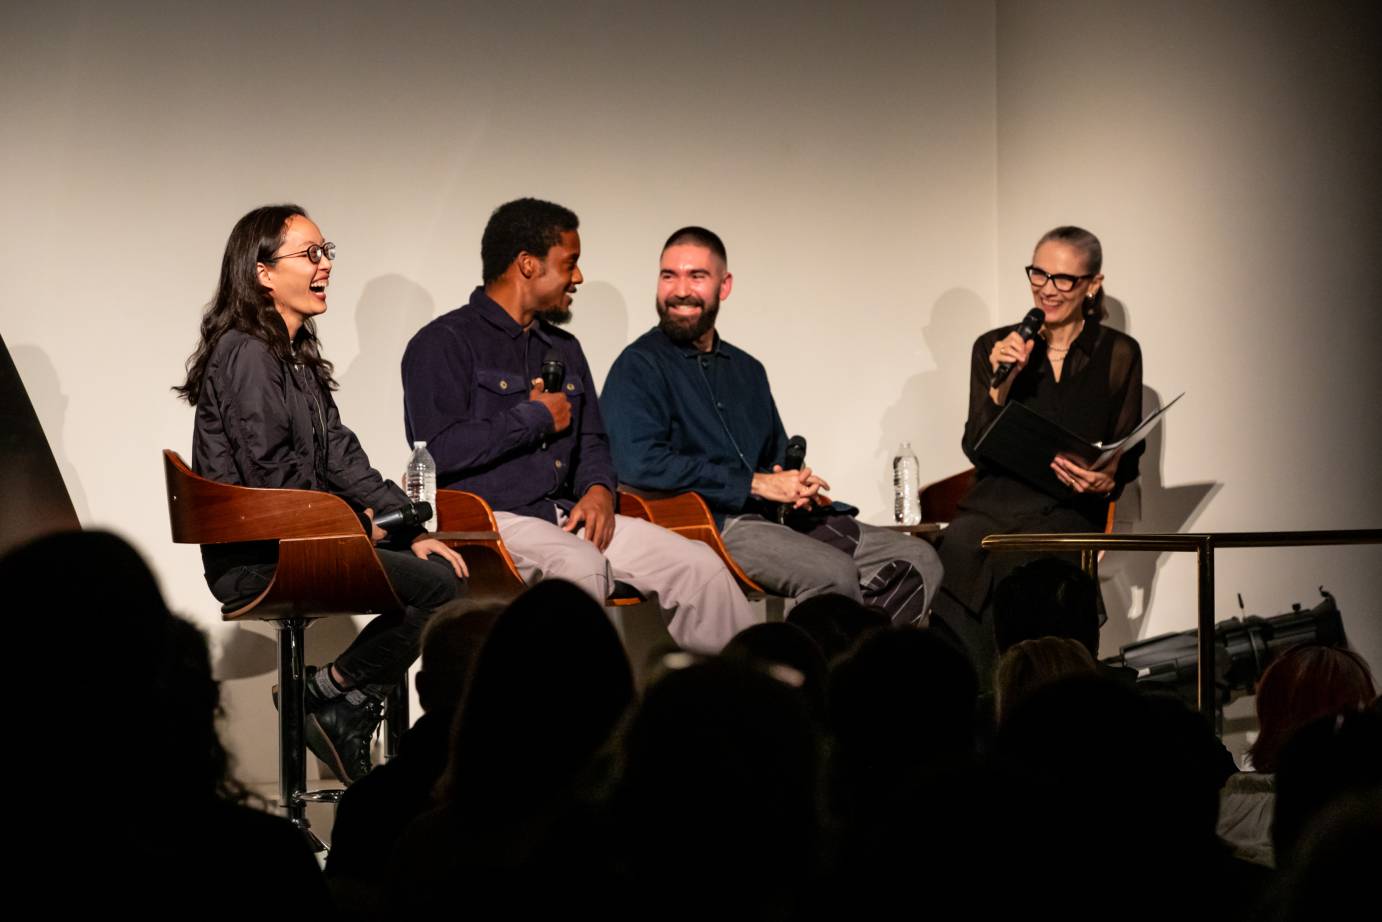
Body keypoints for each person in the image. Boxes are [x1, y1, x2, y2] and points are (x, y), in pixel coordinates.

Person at [175, 204, 467, 784]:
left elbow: (340, 456)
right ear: (263, 272)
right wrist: (360, 526)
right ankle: (335, 701)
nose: (325, 264)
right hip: (260, 557)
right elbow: (270, 478)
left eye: (326, 251)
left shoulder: (294, 356)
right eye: (310, 254)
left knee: (442, 571)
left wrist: (410, 528)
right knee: (442, 589)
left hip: (299, 539)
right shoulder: (247, 353)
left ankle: (329, 696)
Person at [401, 198, 757, 653]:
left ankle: (741, 691)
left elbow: (593, 441)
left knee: (699, 566)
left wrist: (598, 491)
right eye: (570, 263)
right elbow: (438, 451)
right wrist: (533, 417)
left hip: (565, 517)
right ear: (528, 265)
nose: (579, 277)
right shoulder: (443, 342)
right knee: (581, 566)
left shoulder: (564, 347)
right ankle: (575, 700)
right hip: (490, 520)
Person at [600, 226, 943, 627]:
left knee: (919, 558)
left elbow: (774, 458)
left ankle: (859, 661)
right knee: (832, 574)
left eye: (697, 276)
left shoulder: (748, 370)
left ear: (724, 286)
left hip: (778, 520)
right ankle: (807, 666)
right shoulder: (639, 365)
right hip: (713, 525)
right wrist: (755, 484)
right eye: (668, 276)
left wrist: (795, 484)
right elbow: (636, 462)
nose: (680, 290)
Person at [929, 225, 1144, 681]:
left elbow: (1125, 446)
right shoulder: (994, 346)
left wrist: (1109, 478)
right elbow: (975, 447)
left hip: (1067, 506)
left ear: (1093, 284)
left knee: (1022, 562)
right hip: (994, 502)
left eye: (1063, 278)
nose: (1047, 289)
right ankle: (974, 695)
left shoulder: (1119, 353)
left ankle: (1032, 694)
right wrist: (1002, 383)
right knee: (959, 546)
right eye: (1039, 274)